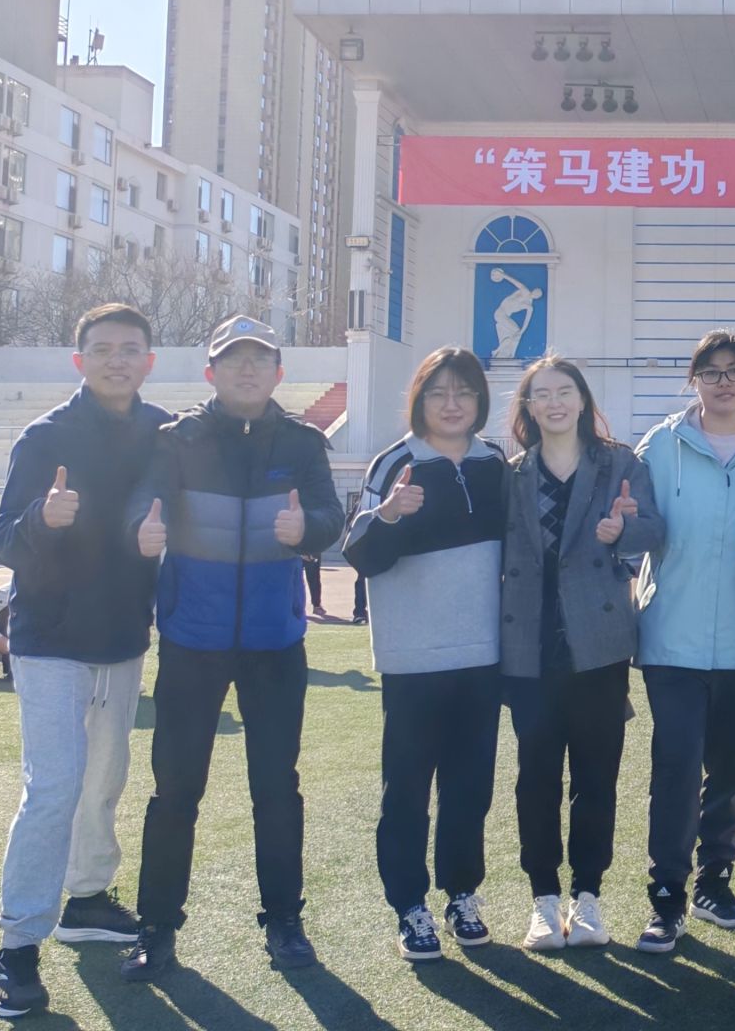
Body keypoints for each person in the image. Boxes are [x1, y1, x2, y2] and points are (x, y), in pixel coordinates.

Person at [120, 315, 344, 981]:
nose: (247, 369)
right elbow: (143, 503)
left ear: (278, 373)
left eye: (260, 359)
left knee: (277, 789)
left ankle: (285, 921)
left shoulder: (303, 442)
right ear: (211, 372)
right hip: (193, 639)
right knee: (175, 789)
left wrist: (308, 528)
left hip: (275, 642)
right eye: (233, 360)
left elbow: (329, 518)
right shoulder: (176, 439)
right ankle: (157, 928)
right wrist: (140, 530)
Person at [0, 304, 172, 1020]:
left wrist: (158, 539)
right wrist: (43, 518)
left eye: (130, 348)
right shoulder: (45, 437)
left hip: (123, 637)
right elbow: (2, 539)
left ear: (149, 360)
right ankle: (15, 951)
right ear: (80, 360)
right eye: (103, 349)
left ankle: (86, 898)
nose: (117, 360)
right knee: (54, 787)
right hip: (51, 639)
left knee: (104, 780)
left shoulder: (164, 433)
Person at [342, 347, 508, 961]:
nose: (451, 403)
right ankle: (409, 905)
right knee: (407, 789)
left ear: (479, 400)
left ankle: (462, 894)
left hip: (482, 656)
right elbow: (358, 553)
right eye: (438, 392)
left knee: (470, 788)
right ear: (420, 400)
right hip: (412, 660)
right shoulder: (396, 462)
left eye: (463, 391)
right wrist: (388, 515)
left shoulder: (496, 463)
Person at [630, 330, 735, 955]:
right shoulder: (660, 445)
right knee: (674, 766)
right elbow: (635, 524)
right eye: (711, 371)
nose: (724, 382)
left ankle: (714, 882)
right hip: (671, 636)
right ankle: (666, 895)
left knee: (733, 768)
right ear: (693, 380)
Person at [499, 354, 662, 953]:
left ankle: (587, 898)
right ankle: (543, 900)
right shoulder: (512, 473)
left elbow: (654, 531)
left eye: (564, 391)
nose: (555, 403)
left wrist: (624, 532)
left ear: (583, 400)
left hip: (598, 644)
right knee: (536, 778)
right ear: (528, 407)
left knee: (596, 778)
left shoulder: (619, 463)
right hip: (529, 644)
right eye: (542, 394)